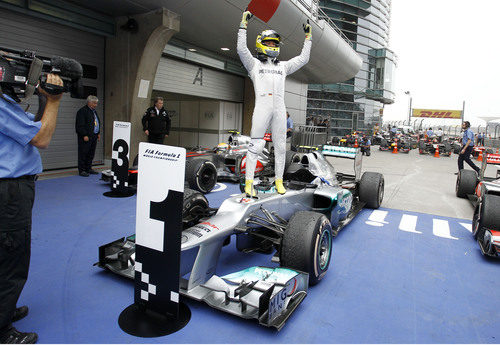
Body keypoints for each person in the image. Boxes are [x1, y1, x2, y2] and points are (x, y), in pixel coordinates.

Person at [0, 73, 64, 344]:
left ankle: (4, 309)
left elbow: (32, 125)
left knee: (6, 251)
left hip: (12, 188)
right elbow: (41, 137)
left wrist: (42, 99)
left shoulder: (7, 103)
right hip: (9, 191)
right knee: (12, 256)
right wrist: (54, 100)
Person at [238, 10, 311, 196]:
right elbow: (241, 49)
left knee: (280, 148)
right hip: (262, 107)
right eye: (268, 43)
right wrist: (243, 26)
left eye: (274, 43)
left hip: (280, 109)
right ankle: (248, 184)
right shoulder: (254, 64)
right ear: (260, 44)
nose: (272, 46)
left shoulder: (283, 66)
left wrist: (308, 37)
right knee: (256, 146)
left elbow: (303, 59)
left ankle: (279, 181)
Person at [75, 96, 101, 177]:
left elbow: (96, 123)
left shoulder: (93, 111)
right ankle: (82, 170)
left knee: (91, 153)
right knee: (83, 153)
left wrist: (98, 133)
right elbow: (79, 125)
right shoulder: (82, 111)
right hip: (86, 137)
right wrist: (84, 135)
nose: (96, 105)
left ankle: (88, 168)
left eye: (96, 103)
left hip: (94, 136)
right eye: (94, 103)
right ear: (89, 102)